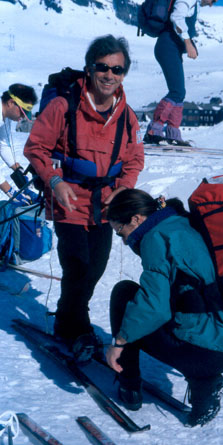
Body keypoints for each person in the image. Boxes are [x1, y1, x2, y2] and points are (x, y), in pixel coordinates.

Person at [24, 35, 144, 361]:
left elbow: (134, 159)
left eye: (117, 69)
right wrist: (54, 181)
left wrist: (124, 186)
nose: (109, 75)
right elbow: (36, 148)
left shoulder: (127, 115)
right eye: (102, 67)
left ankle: (68, 318)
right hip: (69, 200)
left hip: (106, 205)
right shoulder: (64, 106)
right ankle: (77, 327)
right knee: (77, 267)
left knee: (95, 269)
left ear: (124, 73)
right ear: (90, 68)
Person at [106, 189, 223, 427]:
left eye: (119, 230)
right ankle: (205, 383)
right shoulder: (179, 223)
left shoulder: (155, 238)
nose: (122, 239)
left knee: (123, 295)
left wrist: (118, 343)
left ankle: (129, 384)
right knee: (140, 298)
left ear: (136, 219)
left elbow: (154, 308)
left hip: (206, 352)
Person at [144, 0, 218, 146]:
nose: (211, 4)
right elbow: (176, 17)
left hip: (171, 48)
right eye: (213, 0)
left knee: (180, 93)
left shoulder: (194, 4)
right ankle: (153, 131)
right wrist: (188, 42)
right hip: (167, 47)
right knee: (177, 91)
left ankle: (173, 134)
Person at [0, 84, 38, 205]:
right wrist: (10, 191)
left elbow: (3, 144)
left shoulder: (4, 117)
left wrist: (17, 169)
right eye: (22, 112)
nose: (22, 117)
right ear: (11, 102)